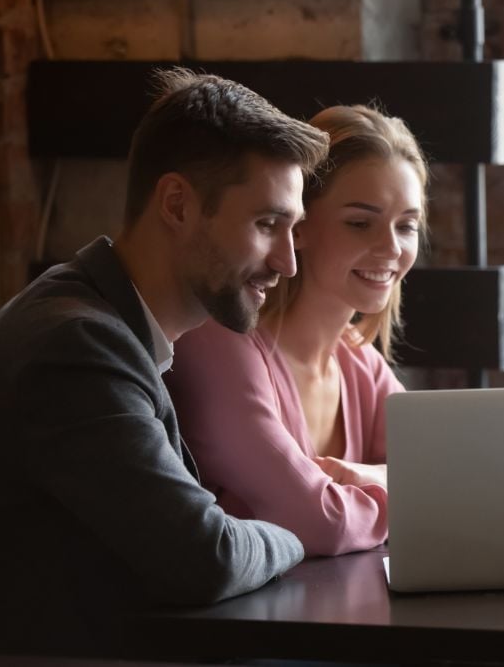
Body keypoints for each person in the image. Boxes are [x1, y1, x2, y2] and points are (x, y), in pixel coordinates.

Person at [0, 67, 329, 661]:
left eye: (292, 229)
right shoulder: (75, 346)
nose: (289, 262)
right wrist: (297, 537)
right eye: (267, 224)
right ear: (176, 204)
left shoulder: (97, 320)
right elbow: (206, 557)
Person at [163, 104, 427, 557]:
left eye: (407, 226)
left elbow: (456, 478)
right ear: (298, 224)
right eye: (360, 223)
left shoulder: (362, 366)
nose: (391, 248)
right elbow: (322, 523)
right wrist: (406, 489)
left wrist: (367, 477)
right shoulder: (222, 345)